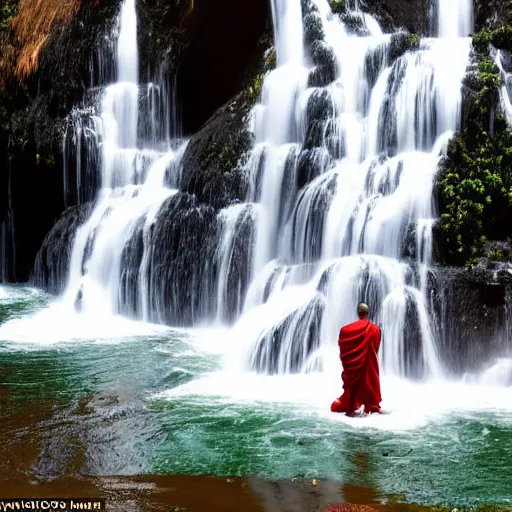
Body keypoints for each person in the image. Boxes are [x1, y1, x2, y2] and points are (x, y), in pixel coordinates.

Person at [331, 303, 382, 416]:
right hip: (369, 366)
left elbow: (344, 350)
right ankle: (371, 406)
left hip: (353, 370)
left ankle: (351, 403)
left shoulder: (345, 330)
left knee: (346, 398)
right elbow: (376, 349)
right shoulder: (376, 330)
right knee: (369, 382)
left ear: (358, 314)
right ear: (368, 314)